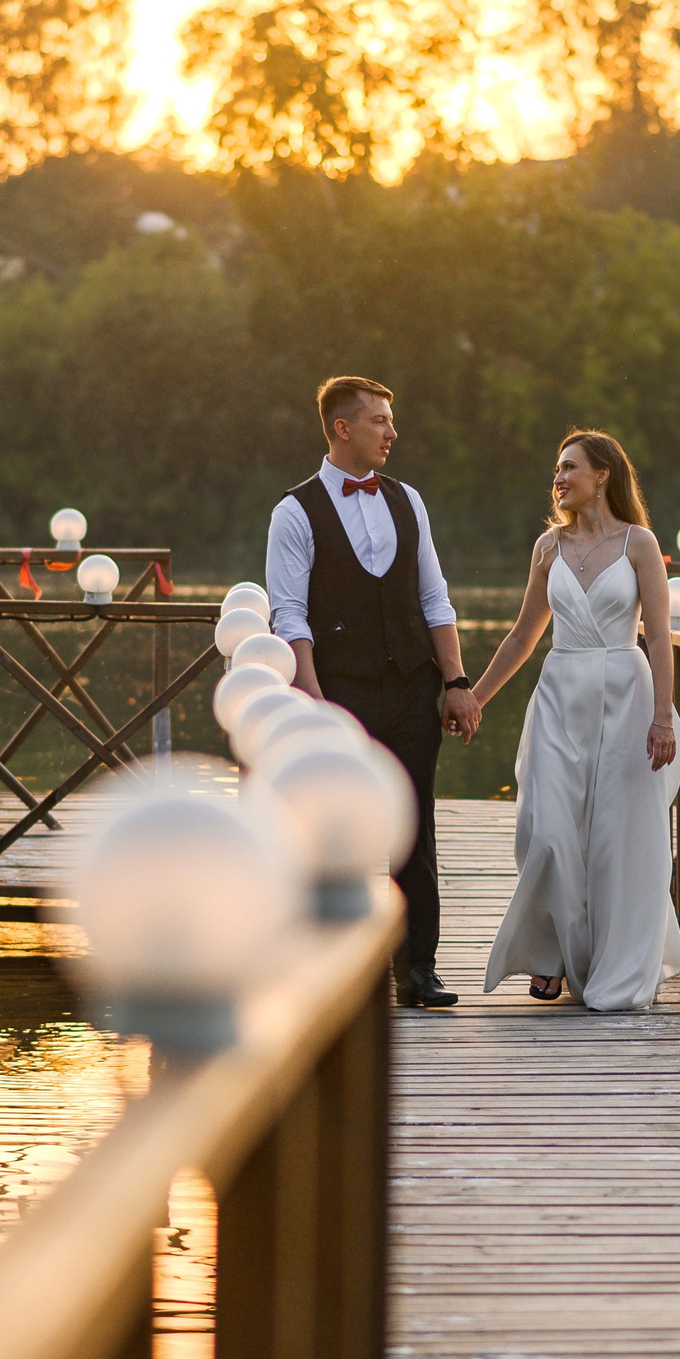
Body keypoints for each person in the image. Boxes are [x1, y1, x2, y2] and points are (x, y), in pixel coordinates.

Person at [265, 376, 481, 1010]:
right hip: (340, 695)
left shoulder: (409, 499)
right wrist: (315, 703)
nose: (392, 431)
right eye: (381, 420)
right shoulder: (294, 511)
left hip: (413, 691)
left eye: (391, 419)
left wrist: (457, 682)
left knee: (412, 827)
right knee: (332, 834)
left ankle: (417, 970)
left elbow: (434, 598)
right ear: (342, 428)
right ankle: (328, 975)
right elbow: (290, 616)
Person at [469, 430, 680, 1012]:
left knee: (615, 836)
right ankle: (553, 953)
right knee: (549, 832)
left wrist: (662, 717)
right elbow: (523, 634)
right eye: (556, 469)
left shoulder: (639, 543)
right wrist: (476, 697)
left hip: (626, 693)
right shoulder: (548, 547)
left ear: (603, 475)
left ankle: (607, 962)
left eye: (569, 467)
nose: (559, 477)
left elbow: (661, 635)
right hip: (561, 693)